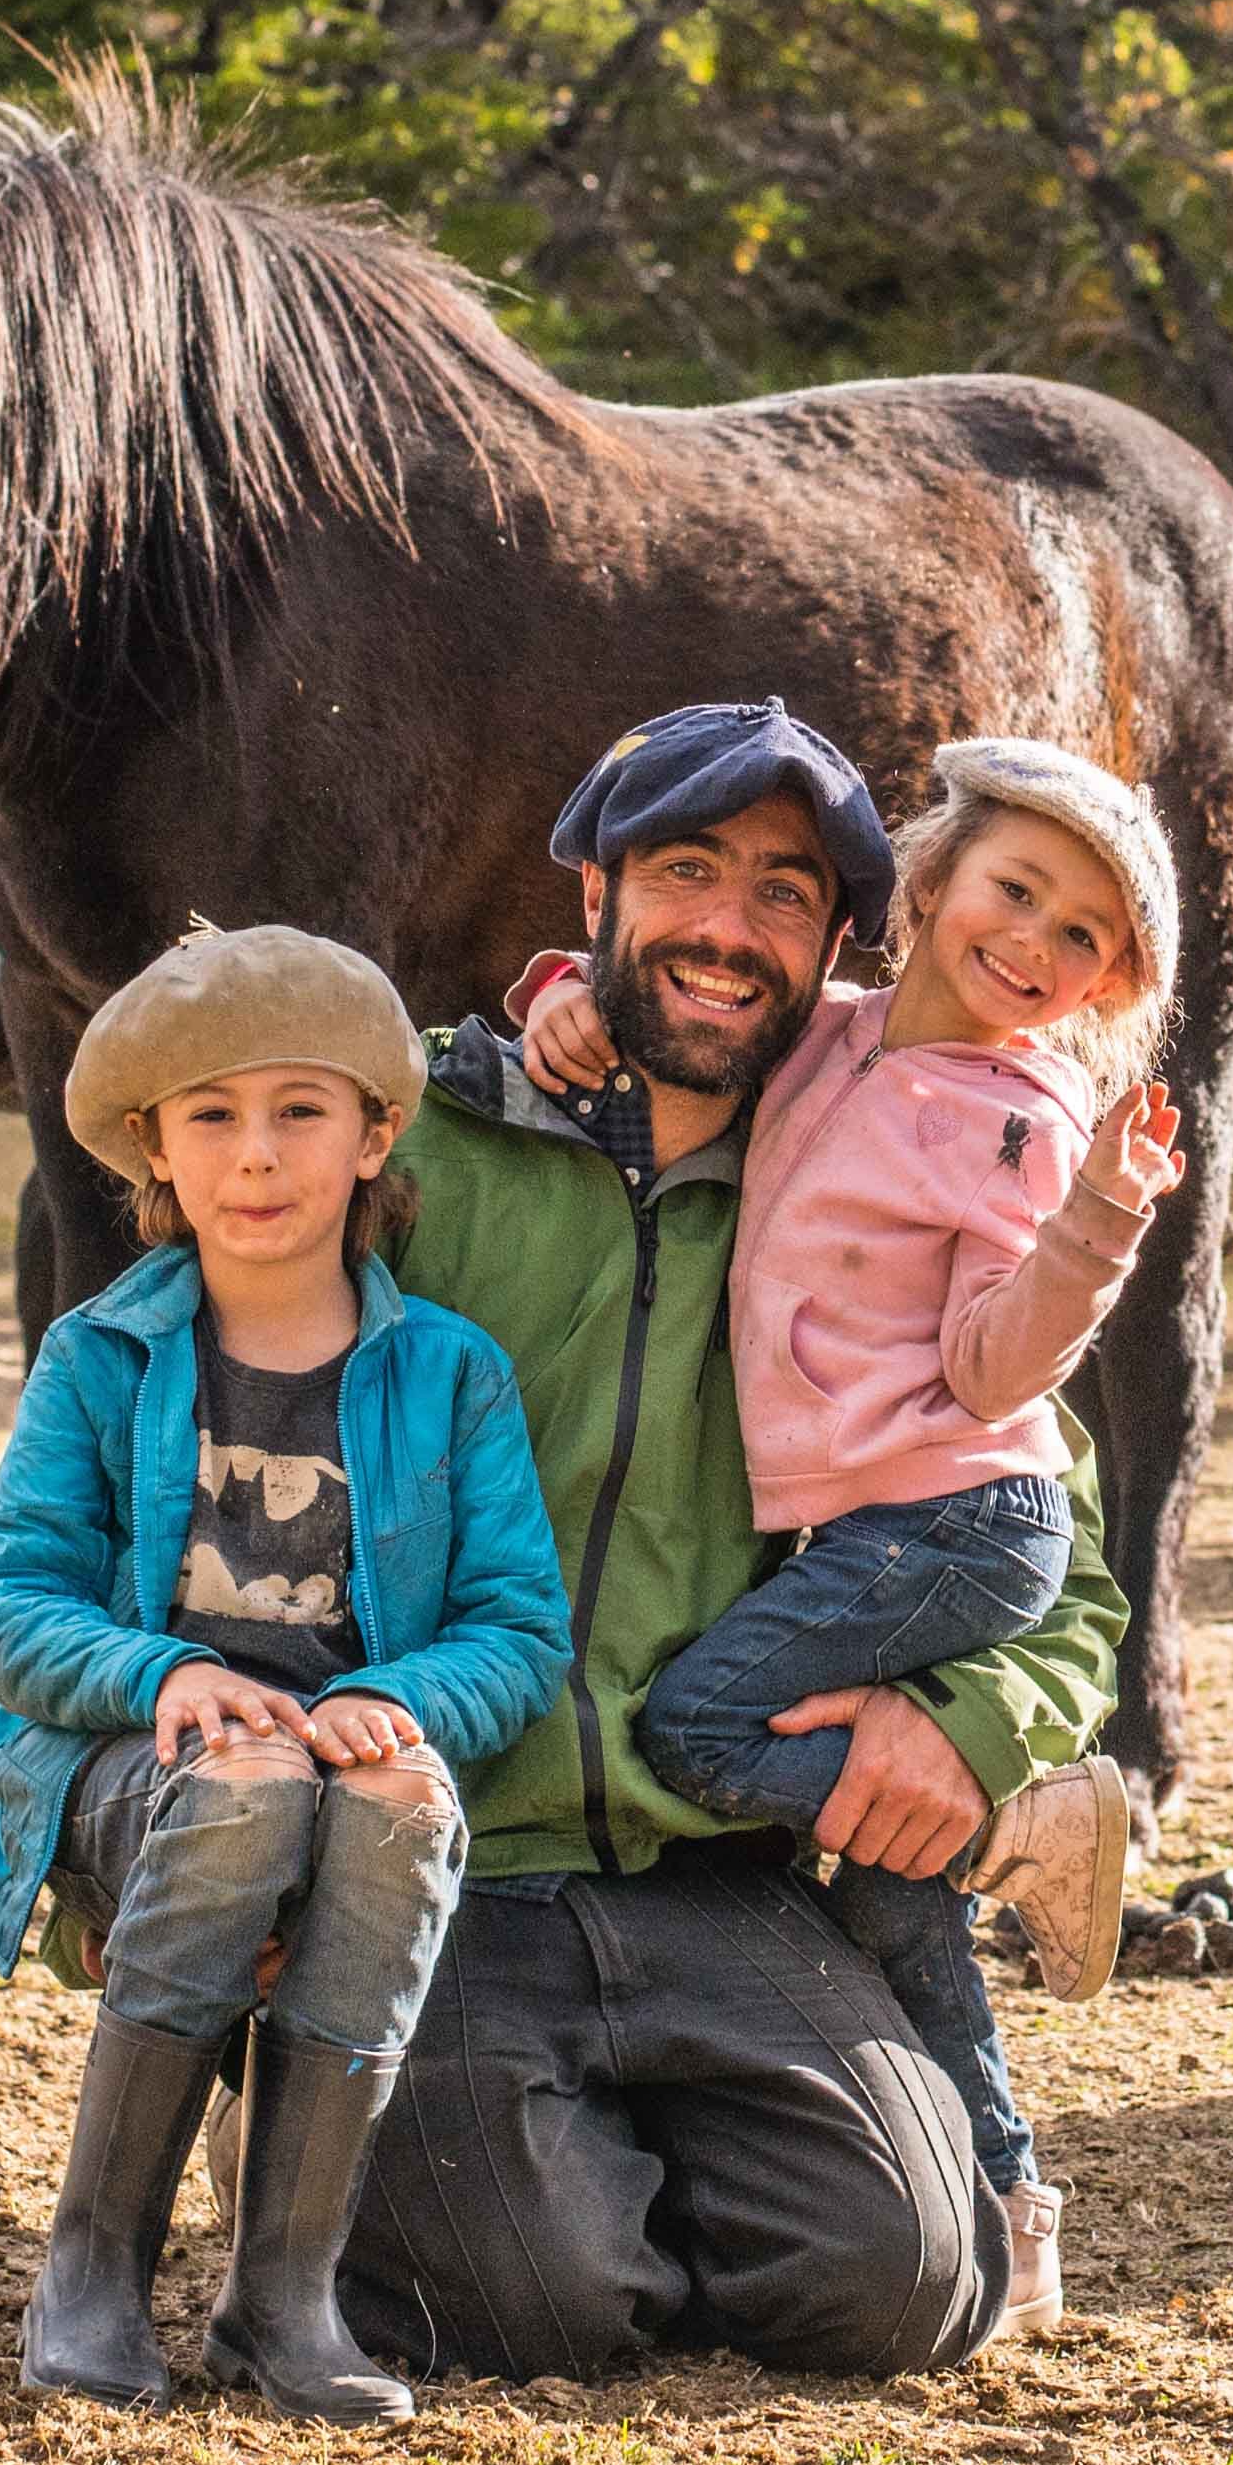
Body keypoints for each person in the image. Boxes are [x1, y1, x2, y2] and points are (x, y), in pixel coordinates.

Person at [339, 700, 1127, 2377]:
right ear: (596, 901)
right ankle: (396, 2140)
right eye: (686, 872)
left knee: (902, 2289)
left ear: (839, 946)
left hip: (719, 1865)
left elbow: (1059, 1539)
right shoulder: (423, 1153)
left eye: (782, 893)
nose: (727, 928)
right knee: (550, 2308)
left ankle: (617, 2160)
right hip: (456, 1868)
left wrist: (974, 1737)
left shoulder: (870, 1165)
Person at [508, 733, 1186, 2320]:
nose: (1034, 943)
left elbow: (991, 1367)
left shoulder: (1023, 1122)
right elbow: (684, 1015)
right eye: (1016, 892)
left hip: (957, 1519)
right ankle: (1011, 2200)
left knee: (700, 1722)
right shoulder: (835, 1038)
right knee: (888, 1890)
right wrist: (559, 997)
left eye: (1080, 938)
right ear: (934, 882)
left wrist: (1093, 1234)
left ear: (1099, 988)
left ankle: (1010, 1825)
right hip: (877, 1528)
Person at [0, 924, 572, 2423]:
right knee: (242, 1785)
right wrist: (157, 1671)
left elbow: (520, 1628)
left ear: (373, 1137)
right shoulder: (99, 1356)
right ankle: (92, 2270)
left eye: (302, 1111)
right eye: (213, 1117)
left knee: (400, 1810)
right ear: (154, 1153)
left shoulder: (453, 1375)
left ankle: (282, 2297)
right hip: (135, 1775)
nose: (258, 1156)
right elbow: (8, 1598)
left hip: (340, 1769)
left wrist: (409, 1696)